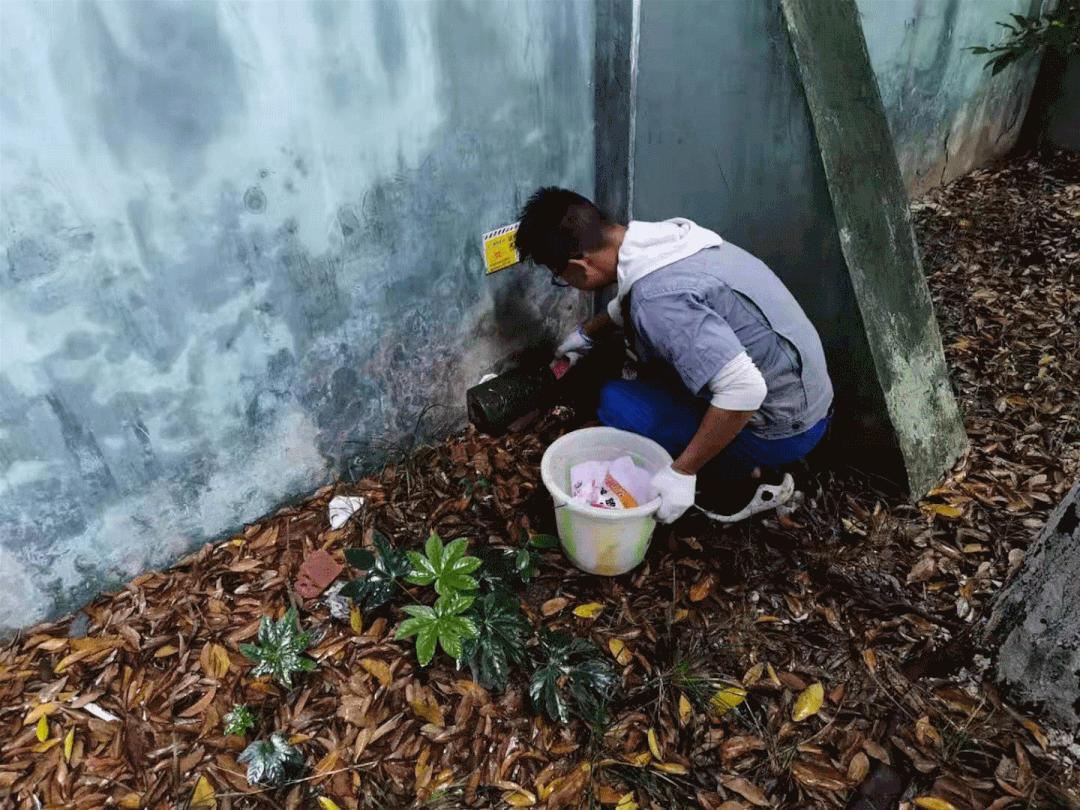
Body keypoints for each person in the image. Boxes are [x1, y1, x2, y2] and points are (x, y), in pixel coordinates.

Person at [515, 187, 833, 524]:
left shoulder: (657, 301)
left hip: (784, 430)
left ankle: (741, 480)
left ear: (580, 264)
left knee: (618, 403)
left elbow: (745, 389)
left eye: (560, 277)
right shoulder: (665, 239)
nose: (565, 282)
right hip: (806, 396)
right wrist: (587, 333)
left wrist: (683, 472)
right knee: (649, 366)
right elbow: (646, 291)